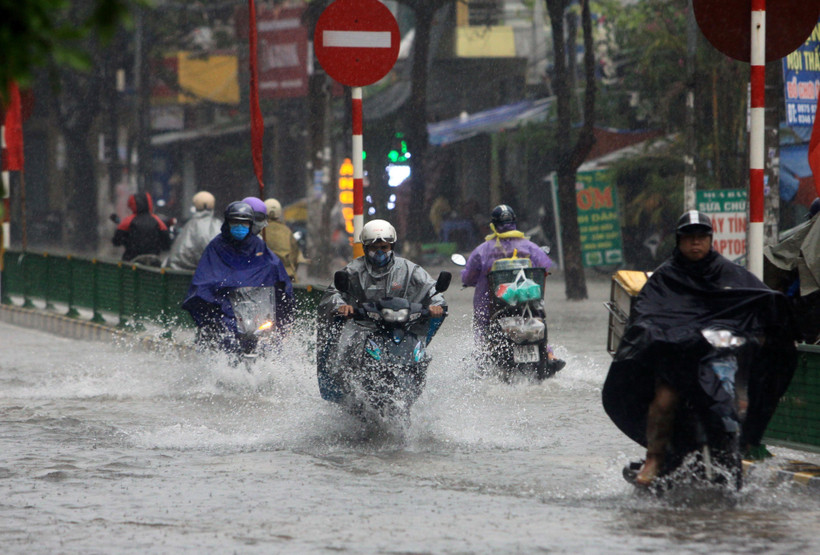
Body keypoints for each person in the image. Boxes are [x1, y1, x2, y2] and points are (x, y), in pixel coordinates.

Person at [602, 210, 798, 486]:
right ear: (679, 241)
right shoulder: (665, 278)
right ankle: (654, 458)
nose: (696, 244)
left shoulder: (729, 273)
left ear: (710, 240)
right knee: (663, 403)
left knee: (735, 406)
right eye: (690, 238)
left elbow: (758, 299)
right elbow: (646, 314)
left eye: (702, 238)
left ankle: (746, 444)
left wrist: (774, 318)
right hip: (677, 365)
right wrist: (660, 334)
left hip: (717, 362)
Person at [460, 204, 564, 371]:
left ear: (493, 224)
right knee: (537, 318)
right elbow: (545, 266)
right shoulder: (529, 247)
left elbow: (468, 276)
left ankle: (483, 356)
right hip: (527, 302)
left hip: (492, 306)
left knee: (482, 326)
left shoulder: (483, 250)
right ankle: (550, 354)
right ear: (514, 222)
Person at [182, 201, 294, 354]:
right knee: (224, 338)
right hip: (225, 309)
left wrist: (281, 290)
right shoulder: (216, 247)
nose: (240, 227)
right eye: (235, 222)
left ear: (251, 224)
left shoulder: (258, 246)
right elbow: (204, 280)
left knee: (271, 344)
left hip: (255, 310)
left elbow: (274, 269)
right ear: (228, 222)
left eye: (245, 223)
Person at [165, 191, 222, 271]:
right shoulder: (217, 225)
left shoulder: (188, 227)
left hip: (178, 278)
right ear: (213, 205)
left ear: (195, 205)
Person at [112, 191, 172, 261]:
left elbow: (116, 241)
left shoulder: (127, 222)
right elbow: (167, 244)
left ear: (132, 205)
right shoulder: (158, 221)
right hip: (153, 261)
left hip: (131, 260)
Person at [263, 198, 303, 281]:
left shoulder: (261, 231)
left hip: (265, 276)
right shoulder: (287, 231)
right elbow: (296, 256)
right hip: (287, 275)